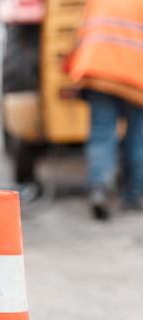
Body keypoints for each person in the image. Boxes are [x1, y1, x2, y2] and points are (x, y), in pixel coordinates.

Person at [67, 0, 143, 220]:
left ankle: (99, 188)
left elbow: (81, 36)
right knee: (136, 138)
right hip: (135, 78)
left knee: (101, 134)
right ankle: (132, 195)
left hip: (98, 71)